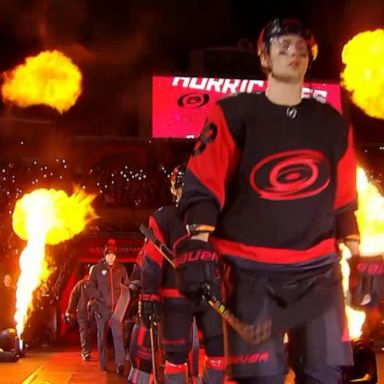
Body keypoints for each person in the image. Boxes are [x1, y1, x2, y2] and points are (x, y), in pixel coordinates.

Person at [176, 18, 360, 384]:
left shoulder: (333, 124)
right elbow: (205, 181)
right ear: (264, 57)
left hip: (319, 274)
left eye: (301, 49)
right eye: (284, 46)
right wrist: (198, 242)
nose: (294, 53)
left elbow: (344, 203)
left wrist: (358, 255)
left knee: (325, 375)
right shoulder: (232, 114)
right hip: (250, 274)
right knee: (261, 378)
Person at [140, 165, 225, 384]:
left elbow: (228, 256)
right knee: (176, 355)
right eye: (181, 187)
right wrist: (149, 297)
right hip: (176, 298)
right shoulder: (163, 218)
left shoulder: (217, 217)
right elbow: (152, 261)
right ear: (174, 189)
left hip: (211, 297)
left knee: (217, 351)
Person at [87, 239, 129, 375]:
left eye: (113, 254)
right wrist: (99, 297)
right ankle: (103, 363)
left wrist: (124, 304)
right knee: (101, 338)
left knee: (119, 337)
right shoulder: (97, 269)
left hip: (116, 310)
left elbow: (126, 286)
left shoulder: (121, 269)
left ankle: (120, 364)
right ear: (104, 255)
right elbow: (90, 286)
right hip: (102, 310)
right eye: (108, 254)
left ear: (116, 255)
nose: (111, 256)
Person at [64, 265, 95, 361]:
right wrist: (69, 310)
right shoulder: (81, 284)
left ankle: (87, 349)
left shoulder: (98, 285)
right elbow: (73, 297)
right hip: (82, 312)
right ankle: (85, 352)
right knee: (84, 330)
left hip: (93, 313)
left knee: (91, 332)